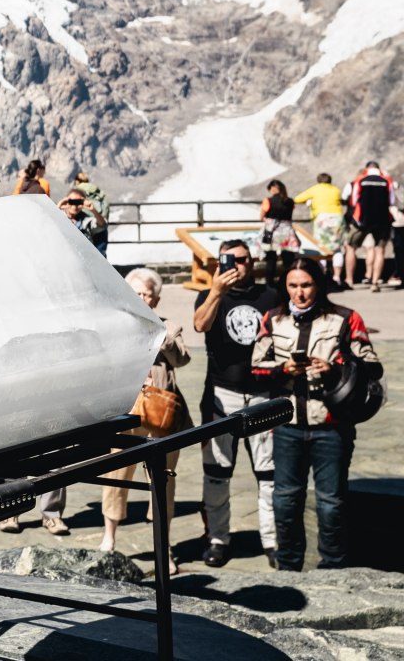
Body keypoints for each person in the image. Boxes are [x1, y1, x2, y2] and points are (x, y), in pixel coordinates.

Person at [251, 259, 384, 570]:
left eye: (306, 285)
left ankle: (333, 567)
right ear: (285, 287)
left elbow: (372, 366)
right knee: (285, 499)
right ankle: (288, 566)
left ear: (319, 286)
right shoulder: (272, 319)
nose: (299, 293)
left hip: (332, 425)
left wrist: (335, 368)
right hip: (287, 426)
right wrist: (284, 369)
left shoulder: (346, 318)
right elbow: (255, 370)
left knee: (331, 502)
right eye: (293, 286)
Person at [191, 238, 283, 567]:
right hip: (222, 393)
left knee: (269, 473)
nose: (238, 266)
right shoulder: (210, 295)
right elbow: (199, 324)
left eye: (243, 259)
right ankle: (218, 538)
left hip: (263, 394)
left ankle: (272, 540)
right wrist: (216, 291)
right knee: (217, 472)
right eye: (230, 260)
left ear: (253, 261)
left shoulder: (271, 295)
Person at [99, 268, 191, 571]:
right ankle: (109, 537)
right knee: (116, 475)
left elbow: (182, 359)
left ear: (156, 299)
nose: (141, 298)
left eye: (146, 294)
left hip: (162, 413)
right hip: (126, 411)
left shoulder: (170, 326)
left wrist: (158, 333)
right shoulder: (116, 325)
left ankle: (163, 547)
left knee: (163, 480)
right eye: (135, 293)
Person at [344, 161, 397, 290]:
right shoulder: (387, 181)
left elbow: (353, 200)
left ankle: (349, 280)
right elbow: (392, 201)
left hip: (362, 220)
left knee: (350, 247)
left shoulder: (360, 180)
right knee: (379, 250)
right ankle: (375, 282)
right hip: (382, 220)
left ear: (366, 169)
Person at [294, 173, 348, 287]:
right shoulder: (335, 189)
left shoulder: (315, 189)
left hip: (322, 218)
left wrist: (310, 201)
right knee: (337, 249)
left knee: (321, 249)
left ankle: (321, 275)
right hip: (337, 219)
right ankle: (337, 277)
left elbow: (297, 199)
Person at [260, 179, 302, 277]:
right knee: (288, 258)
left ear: (272, 189)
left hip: (271, 232)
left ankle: (270, 282)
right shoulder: (290, 201)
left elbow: (261, 217)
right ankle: (288, 279)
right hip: (287, 232)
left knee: (271, 259)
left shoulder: (268, 201)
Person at [60, 187, 110, 257]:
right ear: (66, 201)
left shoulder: (86, 220)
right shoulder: (59, 216)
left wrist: (93, 210)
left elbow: (102, 225)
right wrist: (58, 206)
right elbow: (49, 225)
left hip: (83, 255)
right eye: (72, 202)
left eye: (78, 202)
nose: (75, 206)